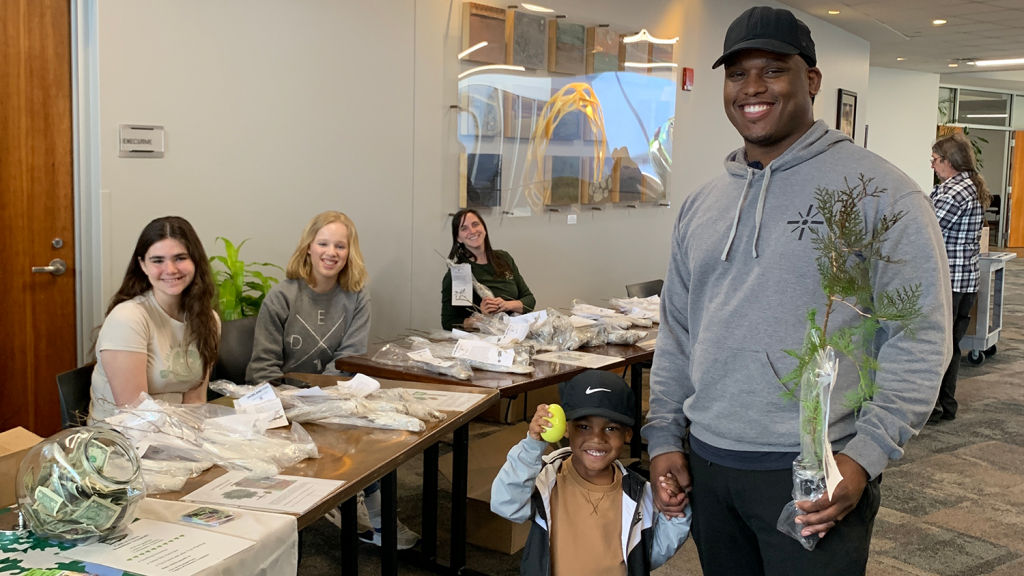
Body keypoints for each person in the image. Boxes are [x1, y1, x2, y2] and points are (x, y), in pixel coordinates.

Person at [641, 7, 953, 576]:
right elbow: (678, 333)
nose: (752, 87)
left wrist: (864, 457)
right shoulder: (701, 205)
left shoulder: (882, 194)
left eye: (772, 69)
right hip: (710, 464)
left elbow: (920, 335)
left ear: (811, 80)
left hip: (817, 470)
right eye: (737, 74)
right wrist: (664, 434)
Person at [246, 211, 418, 549]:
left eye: (340, 245)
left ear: (349, 252)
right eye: (323, 243)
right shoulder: (281, 297)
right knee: (345, 431)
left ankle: (370, 513)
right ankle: (356, 504)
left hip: (330, 397)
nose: (331, 252)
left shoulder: (356, 296)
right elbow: (262, 370)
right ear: (308, 247)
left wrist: (320, 400)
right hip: (281, 401)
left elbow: (348, 359)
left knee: (379, 431)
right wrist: (303, 402)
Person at [491, 370, 691, 576]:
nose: (596, 438)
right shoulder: (546, 478)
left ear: (628, 434)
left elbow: (651, 554)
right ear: (566, 429)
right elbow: (506, 504)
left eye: (611, 428)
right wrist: (532, 446)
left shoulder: (640, 493)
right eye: (584, 426)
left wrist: (674, 516)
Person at [89, 216, 220, 422]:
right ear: (143, 265)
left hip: (178, 434)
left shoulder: (208, 320)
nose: (170, 269)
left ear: (195, 260)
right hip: (120, 440)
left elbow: (195, 400)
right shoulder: (128, 318)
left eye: (180, 258)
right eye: (158, 260)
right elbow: (134, 414)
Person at [929, 133, 990, 423]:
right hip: (965, 281)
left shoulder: (955, 192)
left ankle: (938, 407)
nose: (933, 165)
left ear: (949, 161)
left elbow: (927, 227)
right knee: (950, 346)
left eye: (936, 160)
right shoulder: (967, 186)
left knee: (940, 346)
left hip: (950, 283)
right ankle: (945, 405)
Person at [441, 209, 535, 330]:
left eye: (475, 224)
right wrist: (482, 318)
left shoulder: (504, 258)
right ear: (458, 238)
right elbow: (448, 322)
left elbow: (529, 300)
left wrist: (506, 305)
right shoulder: (458, 274)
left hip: (516, 333)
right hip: (481, 340)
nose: (472, 231)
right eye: (464, 228)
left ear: (484, 228)